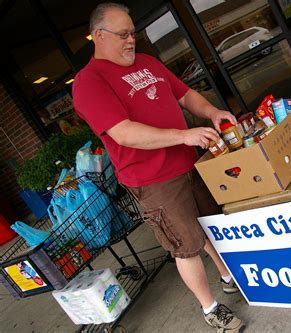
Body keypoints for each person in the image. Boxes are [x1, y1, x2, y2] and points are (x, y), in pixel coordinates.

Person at [72, 3, 244, 332]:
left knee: (209, 226)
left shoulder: (148, 63)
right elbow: (123, 133)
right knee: (185, 245)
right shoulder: (88, 82)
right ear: (99, 36)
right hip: (154, 180)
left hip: (192, 162)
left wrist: (211, 113)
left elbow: (185, 94)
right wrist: (184, 134)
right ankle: (210, 309)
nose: (130, 40)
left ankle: (228, 277)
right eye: (122, 34)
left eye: (132, 33)